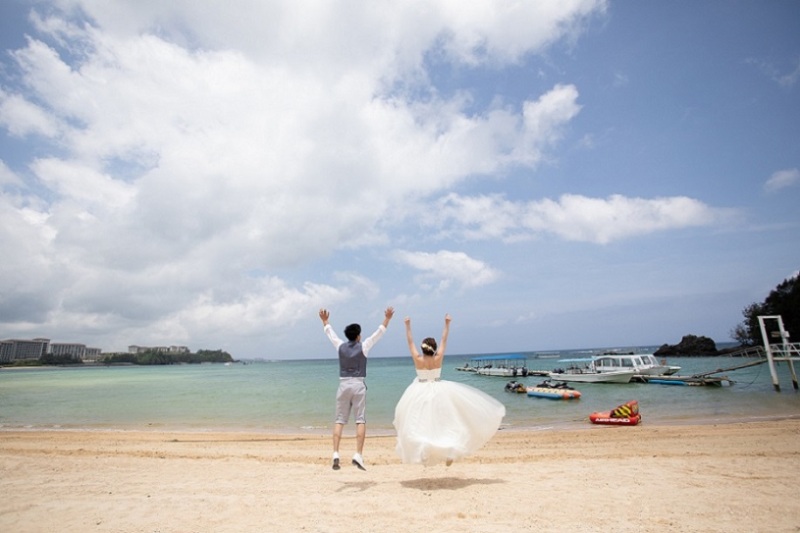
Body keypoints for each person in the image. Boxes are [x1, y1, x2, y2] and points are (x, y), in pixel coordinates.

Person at [393, 314, 505, 466]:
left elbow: (410, 341)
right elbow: (444, 340)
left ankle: (424, 451)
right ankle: (450, 450)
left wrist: (407, 325)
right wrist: (447, 324)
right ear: (434, 349)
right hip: (439, 390)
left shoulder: (418, 359)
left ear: (423, 349)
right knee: (444, 423)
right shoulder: (438, 358)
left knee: (420, 424)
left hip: (419, 391)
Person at [319, 306, 394, 471]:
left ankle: (335, 453)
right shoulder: (364, 346)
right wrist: (387, 318)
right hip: (358, 385)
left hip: (343, 385)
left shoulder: (340, 346)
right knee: (360, 420)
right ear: (358, 336)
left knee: (339, 420)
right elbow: (379, 333)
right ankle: (358, 454)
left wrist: (325, 321)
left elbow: (330, 334)